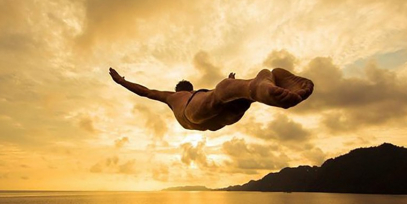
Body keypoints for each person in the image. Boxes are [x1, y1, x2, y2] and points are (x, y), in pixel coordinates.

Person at [109, 67, 314, 131]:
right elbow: (144, 91)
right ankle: (261, 83)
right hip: (208, 114)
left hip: (207, 121)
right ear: (189, 89)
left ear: (178, 89)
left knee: (227, 95)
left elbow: (144, 91)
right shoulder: (185, 95)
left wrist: (121, 82)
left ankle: (260, 88)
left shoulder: (172, 96)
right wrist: (230, 82)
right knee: (226, 90)